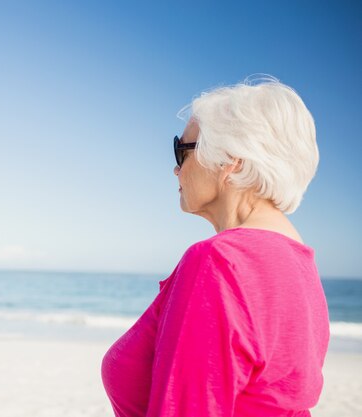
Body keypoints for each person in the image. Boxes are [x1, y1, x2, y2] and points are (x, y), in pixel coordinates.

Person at [101, 75, 330, 416]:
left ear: (231, 160)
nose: (175, 169)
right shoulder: (300, 264)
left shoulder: (221, 261)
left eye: (182, 150)